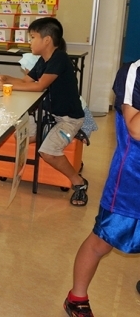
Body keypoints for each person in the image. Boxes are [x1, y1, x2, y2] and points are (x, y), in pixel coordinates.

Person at [63, 59, 140, 317]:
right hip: (132, 180)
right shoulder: (134, 71)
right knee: (103, 240)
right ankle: (77, 297)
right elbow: (136, 128)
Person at [0, 17, 87, 206]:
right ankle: (42, 137)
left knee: (48, 152)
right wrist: (6, 78)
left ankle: (79, 183)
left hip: (69, 120)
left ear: (47, 40)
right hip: (48, 115)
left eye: (33, 37)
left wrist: (8, 84)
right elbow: (28, 82)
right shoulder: (43, 60)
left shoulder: (59, 58)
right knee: (25, 135)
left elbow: (39, 86)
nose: (30, 41)